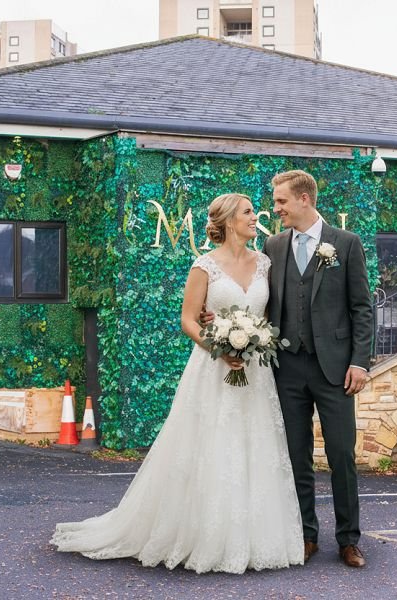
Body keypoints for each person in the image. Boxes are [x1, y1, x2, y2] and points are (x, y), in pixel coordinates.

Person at [50, 193, 303, 574]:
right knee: (210, 446)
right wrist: (220, 347)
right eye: (249, 212)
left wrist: (254, 342)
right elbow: (188, 319)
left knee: (256, 447)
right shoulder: (204, 266)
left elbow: (267, 316)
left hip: (255, 372)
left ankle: (255, 538)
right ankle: (203, 536)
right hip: (213, 368)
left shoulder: (265, 263)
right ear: (230, 220)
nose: (257, 218)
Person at [263, 170, 373, 568]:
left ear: (305, 199)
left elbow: (362, 308)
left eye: (281, 202)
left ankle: (348, 540)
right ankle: (305, 536)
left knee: (342, 455)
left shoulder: (345, 244)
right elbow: (261, 297)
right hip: (287, 368)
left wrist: (360, 361)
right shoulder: (273, 246)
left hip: (336, 369)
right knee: (296, 455)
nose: (276, 210)